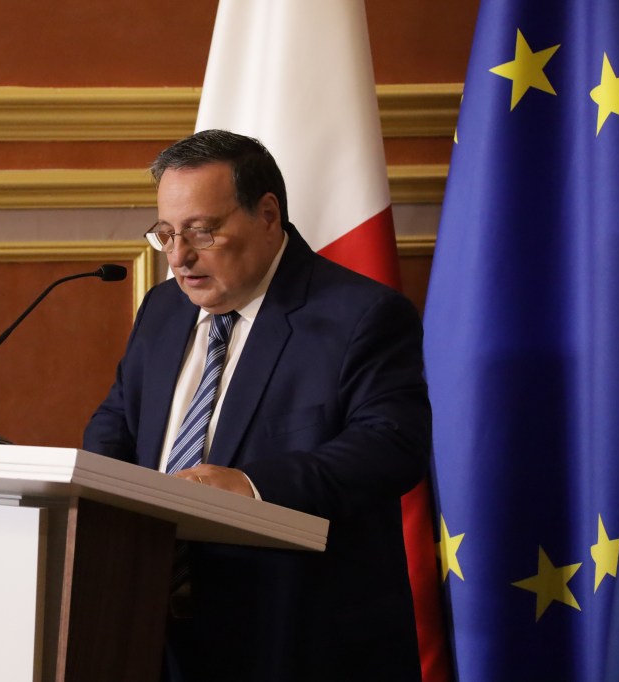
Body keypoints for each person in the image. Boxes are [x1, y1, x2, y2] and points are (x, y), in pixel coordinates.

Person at [83, 129, 430, 681]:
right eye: (165, 234)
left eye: (202, 232)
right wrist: (96, 491)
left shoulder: (360, 315)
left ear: (268, 215)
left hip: (294, 635)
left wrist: (249, 487)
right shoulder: (163, 308)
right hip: (151, 625)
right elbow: (119, 419)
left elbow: (391, 447)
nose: (179, 257)